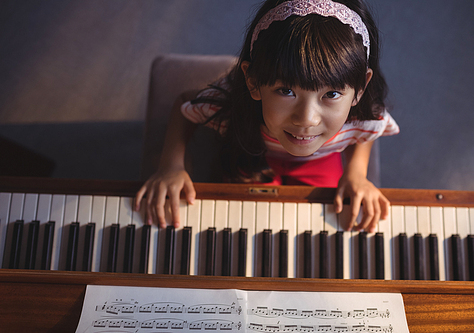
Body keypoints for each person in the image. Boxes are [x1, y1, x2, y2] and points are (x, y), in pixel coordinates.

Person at [135, 0, 399, 233]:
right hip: (251, 154)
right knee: (241, 221)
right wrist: (171, 166)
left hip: (320, 163)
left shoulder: (363, 114)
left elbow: (365, 131)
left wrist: (355, 173)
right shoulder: (230, 105)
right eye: (286, 91)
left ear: (360, 89)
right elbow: (185, 105)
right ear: (253, 82)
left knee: (331, 220)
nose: (306, 120)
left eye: (331, 94)